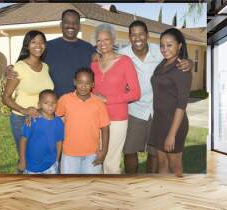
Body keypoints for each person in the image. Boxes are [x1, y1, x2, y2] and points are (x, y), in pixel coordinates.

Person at [120, 20, 193, 174]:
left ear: (147, 35)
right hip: (139, 112)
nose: (137, 38)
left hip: (164, 117)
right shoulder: (123, 55)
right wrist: (96, 55)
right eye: (133, 34)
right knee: (136, 154)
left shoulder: (163, 55)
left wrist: (190, 62)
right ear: (129, 37)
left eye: (141, 34)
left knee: (162, 159)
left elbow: (181, 102)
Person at [5, 9, 95, 97]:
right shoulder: (47, 47)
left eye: (75, 23)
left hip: (81, 105)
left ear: (79, 26)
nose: (71, 25)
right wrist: (10, 68)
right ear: (61, 25)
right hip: (52, 106)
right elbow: (27, 63)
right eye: (67, 22)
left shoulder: (89, 48)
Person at [91, 24, 140, 174]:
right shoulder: (93, 64)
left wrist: (107, 99)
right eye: (99, 40)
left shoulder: (125, 62)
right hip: (95, 118)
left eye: (106, 39)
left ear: (113, 40)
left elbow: (135, 93)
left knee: (110, 162)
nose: (103, 43)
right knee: (96, 158)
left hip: (117, 119)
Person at [2, 30, 54, 173]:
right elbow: (5, 97)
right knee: (26, 158)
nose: (38, 45)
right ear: (27, 45)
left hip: (42, 118)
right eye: (34, 42)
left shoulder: (46, 67)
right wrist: (24, 110)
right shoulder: (18, 67)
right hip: (22, 119)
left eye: (41, 42)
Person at [148, 28, 193, 177]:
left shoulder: (182, 68)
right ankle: (165, 196)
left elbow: (182, 104)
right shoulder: (163, 64)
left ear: (180, 46)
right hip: (159, 122)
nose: (164, 49)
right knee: (162, 163)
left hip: (174, 124)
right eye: (162, 45)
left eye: (169, 45)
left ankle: (179, 197)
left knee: (175, 166)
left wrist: (172, 134)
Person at [55, 68, 110, 174]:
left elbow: (105, 128)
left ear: (93, 84)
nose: (83, 87)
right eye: (80, 83)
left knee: (90, 186)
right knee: (70, 186)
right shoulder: (65, 99)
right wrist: (37, 113)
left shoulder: (99, 103)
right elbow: (52, 115)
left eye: (87, 83)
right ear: (74, 82)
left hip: (92, 154)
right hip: (69, 153)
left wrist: (104, 151)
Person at [18, 90, 64, 174]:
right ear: (39, 104)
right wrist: (22, 160)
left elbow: (59, 142)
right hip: (31, 166)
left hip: (51, 165)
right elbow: (23, 140)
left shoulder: (58, 122)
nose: (50, 106)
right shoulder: (33, 120)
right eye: (46, 103)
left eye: (53, 103)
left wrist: (57, 161)